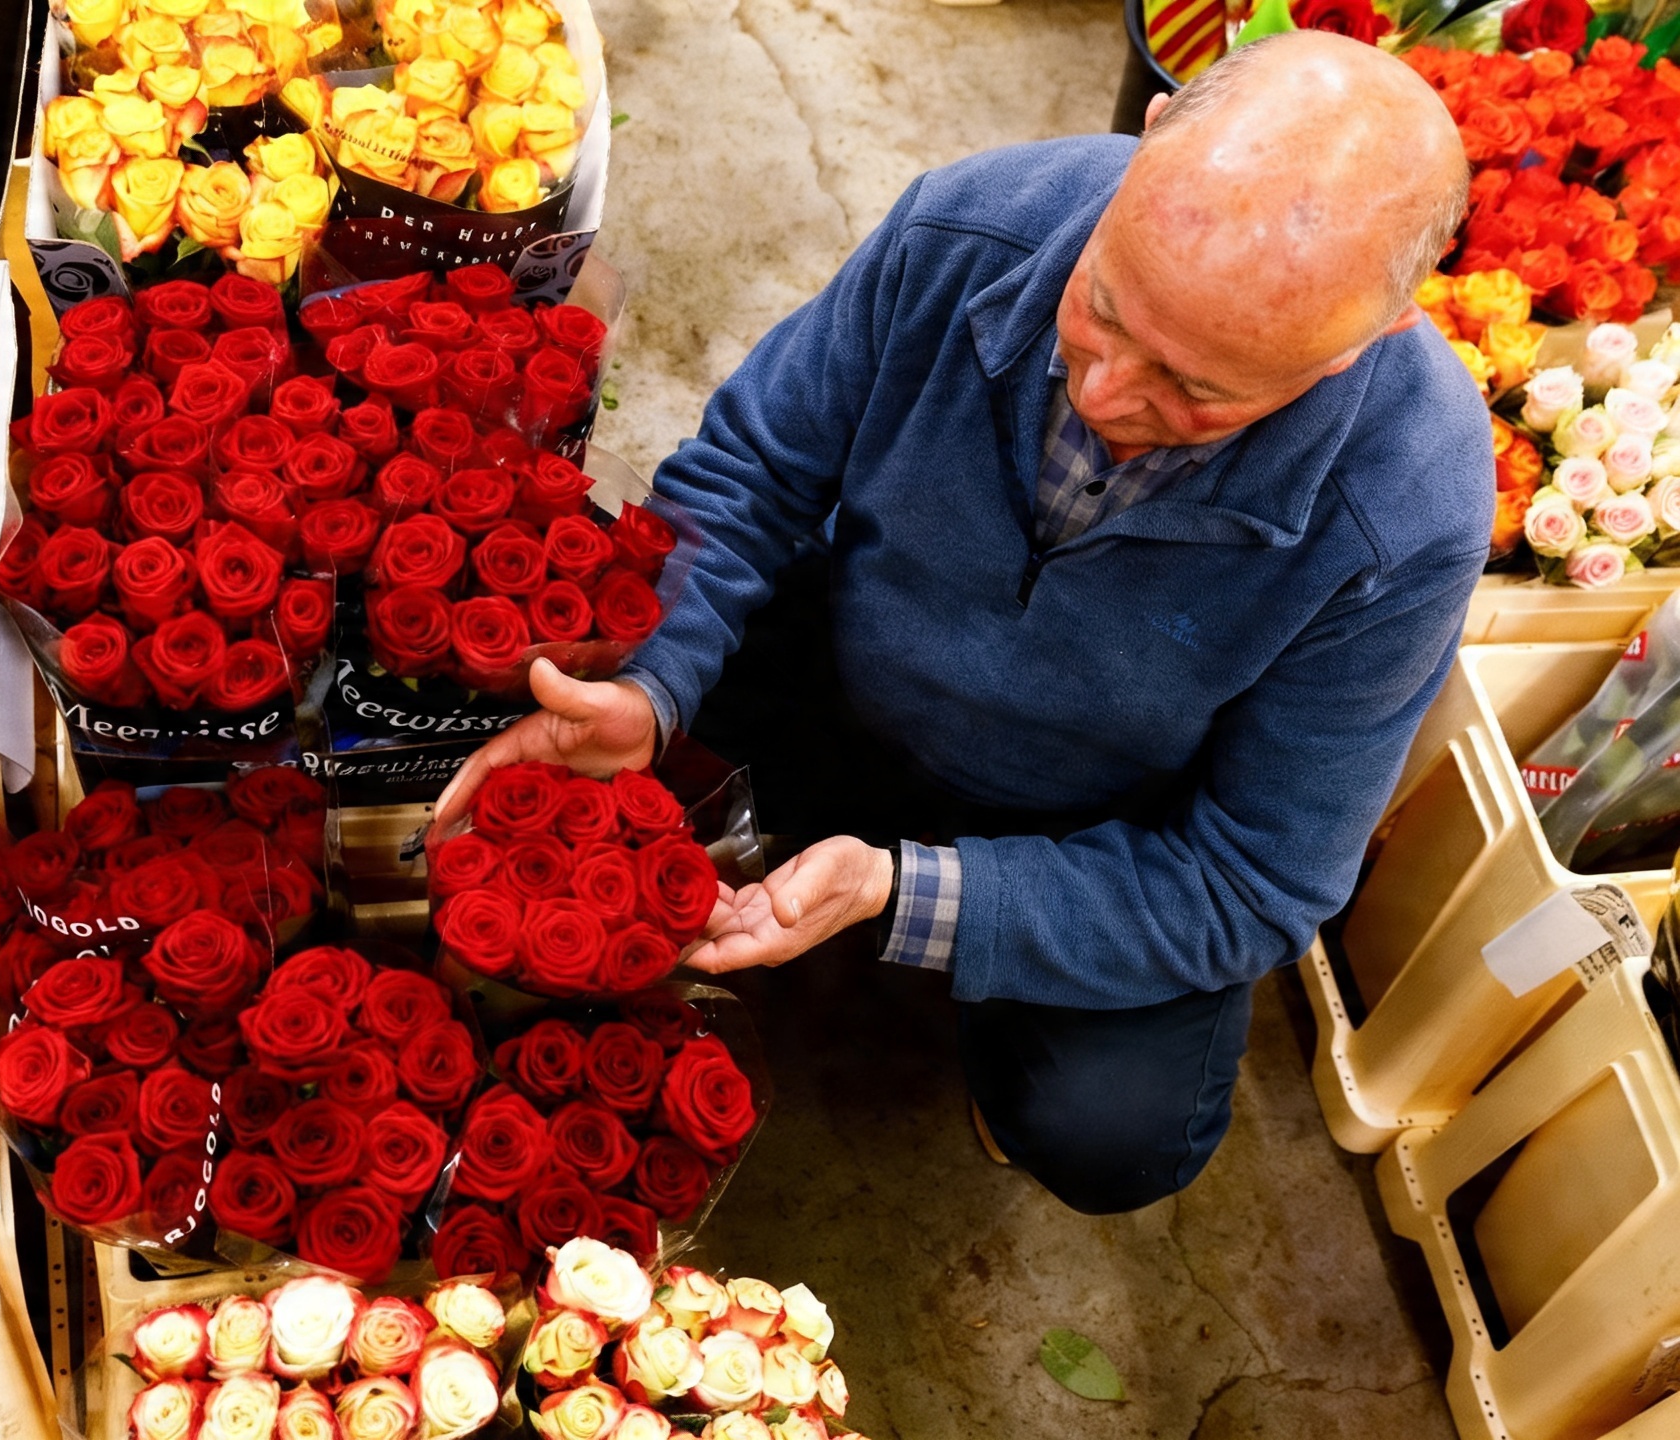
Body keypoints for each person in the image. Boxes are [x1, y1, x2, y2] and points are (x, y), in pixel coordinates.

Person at [430, 32, 1490, 1215]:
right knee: (537, 645)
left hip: (1096, 814)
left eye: (1198, 391)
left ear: (1367, 340)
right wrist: (657, 684)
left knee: (1114, 1136)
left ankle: (983, 998)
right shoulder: (973, 225)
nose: (1105, 395)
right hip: (846, 655)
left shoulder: (1407, 508)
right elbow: (750, 474)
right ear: (1145, 150)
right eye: (1102, 309)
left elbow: (1253, 880)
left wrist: (913, 892)